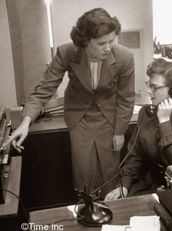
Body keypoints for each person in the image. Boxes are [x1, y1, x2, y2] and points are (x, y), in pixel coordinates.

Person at [4, 8, 135, 197]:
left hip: (110, 118)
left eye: (111, 41)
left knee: (109, 169)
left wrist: (119, 132)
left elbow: (126, 98)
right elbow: (44, 89)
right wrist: (25, 122)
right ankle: (85, 209)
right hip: (79, 117)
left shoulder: (125, 57)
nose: (108, 48)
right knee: (83, 172)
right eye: (101, 43)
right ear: (84, 42)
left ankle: (110, 212)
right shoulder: (66, 52)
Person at [105, 57, 172, 200]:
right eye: (149, 85)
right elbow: (136, 155)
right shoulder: (146, 113)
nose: (150, 92)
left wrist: (164, 122)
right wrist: (124, 185)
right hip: (147, 183)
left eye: (155, 87)